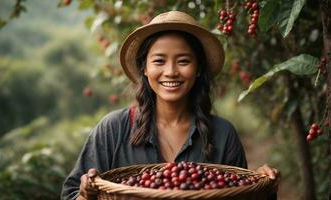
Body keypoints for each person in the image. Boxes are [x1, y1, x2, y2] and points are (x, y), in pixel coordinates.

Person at [61, 11, 280, 200]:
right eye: (159, 61)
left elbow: (240, 194)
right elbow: (72, 195)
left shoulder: (223, 134)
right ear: (144, 69)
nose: (171, 71)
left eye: (183, 61)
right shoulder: (113, 129)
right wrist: (87, 193)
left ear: (198, 69)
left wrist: (262, 186)